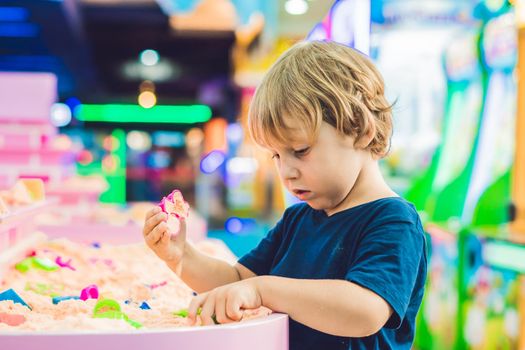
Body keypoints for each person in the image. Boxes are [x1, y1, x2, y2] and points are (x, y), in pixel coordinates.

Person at [143, 40, 427, 350]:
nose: (286, 172)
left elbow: (365, 310)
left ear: (360, 130)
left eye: (300, 151)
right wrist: (182, 256)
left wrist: (263, 290)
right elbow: (238, 281)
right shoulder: (298, 219)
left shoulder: (393, 222)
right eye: (277, 156)